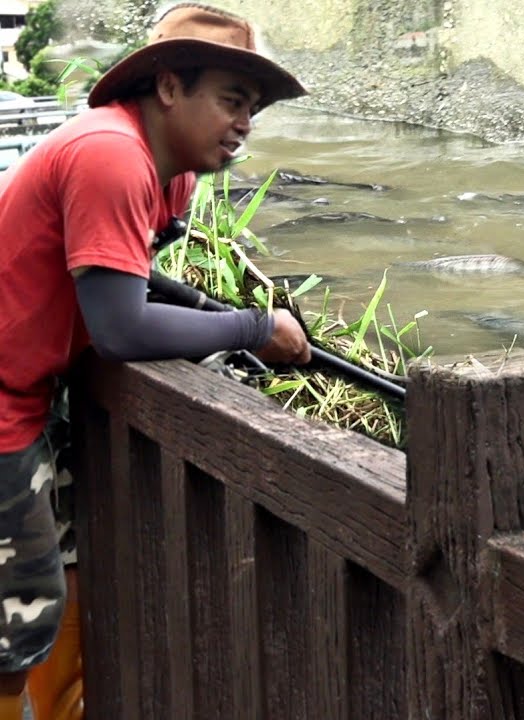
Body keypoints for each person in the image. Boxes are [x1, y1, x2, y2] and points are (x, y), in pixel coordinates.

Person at [0, 3, 313, 718]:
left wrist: (206, 313)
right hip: (6, 399)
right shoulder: (110, 155)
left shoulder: (172, 173)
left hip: (35, 385)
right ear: (168, 87)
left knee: (64, 574)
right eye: (232, 100)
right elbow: (119, 328)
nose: (244, 123)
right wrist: (252, 326)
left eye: (254, 110)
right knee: (20, 610)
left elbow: (126, 279)